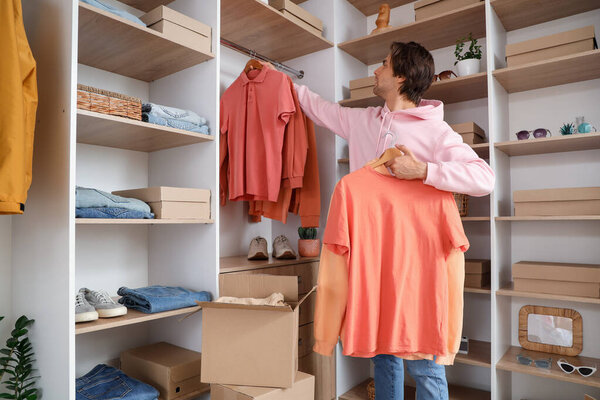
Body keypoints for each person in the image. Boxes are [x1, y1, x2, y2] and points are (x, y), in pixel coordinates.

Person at [264, 41, 495, 399]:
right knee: (383, 353)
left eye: (383, 64)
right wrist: (280, 81)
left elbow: (484, 179)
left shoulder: (437, 132)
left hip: (419, 264)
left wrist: (422, 170)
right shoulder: (364, 121)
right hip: (375, 259)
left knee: (424, 359)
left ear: (400, 76)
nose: (376, 70)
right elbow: (318, 108)